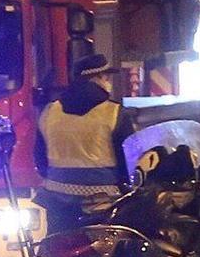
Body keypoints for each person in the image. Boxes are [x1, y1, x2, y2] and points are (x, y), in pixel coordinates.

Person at [33, 53, 130, 236]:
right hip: (102, 201)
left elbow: (40, 158)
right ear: (98, 78)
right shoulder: (114, 112)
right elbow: (128, 162)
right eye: (107, 77)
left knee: (57, 245)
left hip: (57, 199)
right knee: (104, 248)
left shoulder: (50, 111)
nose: (108, 82)